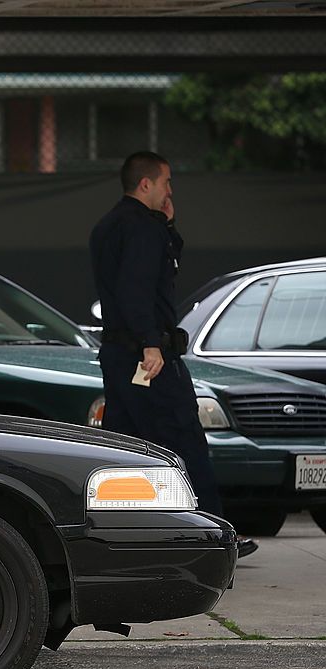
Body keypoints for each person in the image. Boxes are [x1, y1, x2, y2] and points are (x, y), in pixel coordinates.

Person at [89, 151, 258, 558]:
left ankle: (115, 536)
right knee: (184, 440)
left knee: (124, 446)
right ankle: (214, 538)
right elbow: (138, 289)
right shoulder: (143, 229)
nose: (169, 190)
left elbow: (134, 282)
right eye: (165, 182)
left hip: (118, 355)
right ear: (145, 184)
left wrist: (166, 224)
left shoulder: (107, 226)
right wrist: (151, 342)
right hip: (150, 357)